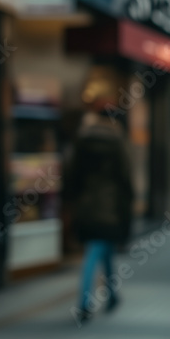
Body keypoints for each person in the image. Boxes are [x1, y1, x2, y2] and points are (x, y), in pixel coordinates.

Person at [65, 110, 133, 324]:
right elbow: (126, 177)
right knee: (97, 251)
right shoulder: (118, 142)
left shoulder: (81, 142)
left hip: (87, 207)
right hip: (111, 208)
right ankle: (85, 303)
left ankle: (111, 295)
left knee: (102, 251)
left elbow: (71, 176)